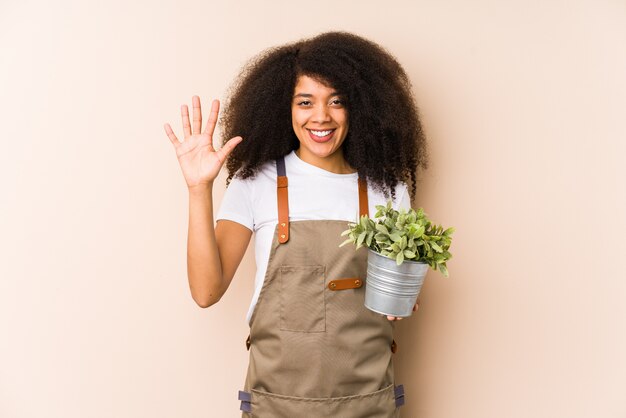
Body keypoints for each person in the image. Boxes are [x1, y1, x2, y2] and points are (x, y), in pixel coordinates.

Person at [164, 31, 428, 417]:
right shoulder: (255, 182)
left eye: (337, 102)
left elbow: (396, 294)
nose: (321, 116)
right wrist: (199, 189)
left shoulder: (388, 189)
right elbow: (206, 291)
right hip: (276, 404)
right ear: (282, 108)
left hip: (367, 403)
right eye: (306, 102)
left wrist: (403, 296)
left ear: (361, 107)